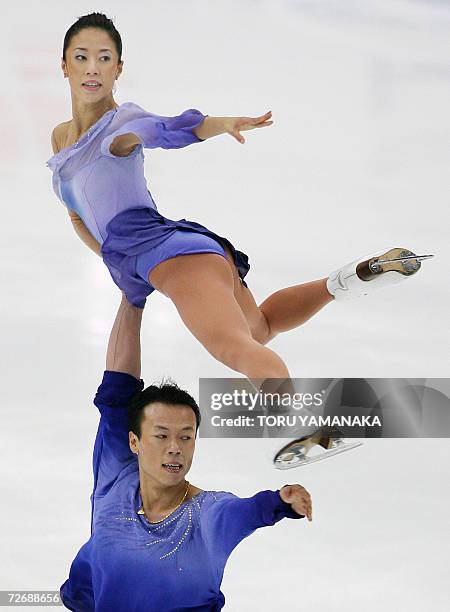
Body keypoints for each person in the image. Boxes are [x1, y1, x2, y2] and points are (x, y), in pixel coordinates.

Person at [46, 12, 430, 382]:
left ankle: (304, 426)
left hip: (173, 258)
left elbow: (168, 130)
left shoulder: (121, 125)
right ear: (65, 65)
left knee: (234, 348)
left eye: (104, 58)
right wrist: (120, 262)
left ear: (118, 68)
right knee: (259, 330)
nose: (92, 68)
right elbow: (78, 218)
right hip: (176, 251)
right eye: (82, 57)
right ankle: (353, 278)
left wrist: (217, 125)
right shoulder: (61, 138)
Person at [59, 293, 312, 611]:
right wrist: (132, 298)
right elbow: (117, 391)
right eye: (161, 435)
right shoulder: (117, 474)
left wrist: (280, 502)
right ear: (134, 442)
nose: (175, 448)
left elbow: (240, 513)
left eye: (186, 437)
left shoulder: (205, 514)